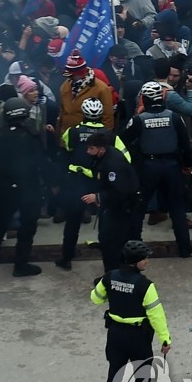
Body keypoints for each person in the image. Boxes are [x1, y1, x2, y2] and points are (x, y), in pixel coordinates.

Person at [90, 240, 170, 382]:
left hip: (115, 336)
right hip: (138, 339)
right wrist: (165, 339)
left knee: (113, 376)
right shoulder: (145, 285)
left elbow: (96, 298)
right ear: (135, 262)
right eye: (145, 258)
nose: (147, 261)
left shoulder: (109, 277)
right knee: (142, 380)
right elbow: (156, 316)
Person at [56, 98, 130, 270]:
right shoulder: (110, 135)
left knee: (73, 221)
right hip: (101, 183)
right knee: (107, 222)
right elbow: (126, 158)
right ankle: (113, 261)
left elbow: (64, 152)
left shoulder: (72, 132)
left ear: (84, 113)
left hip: (77, 182)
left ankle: (66, 258)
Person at [123, 81, 192, 258]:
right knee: (177, 209)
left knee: (139, 208)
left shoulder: (139, 119)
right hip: (171, 166)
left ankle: (134, 249)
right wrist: (187, 165)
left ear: (143, 98)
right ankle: (185, 248)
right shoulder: (174, 117)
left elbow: (122, 141)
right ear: (162, 97)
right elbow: (186, 144)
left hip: (148, 167)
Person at [0, 97, 46, 277]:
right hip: (27, 187)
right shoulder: (31, 136)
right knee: (27, 226)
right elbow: (40, 162)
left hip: (5, 186)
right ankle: (20, 265)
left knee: (2, 220)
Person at [84, 132, 138, 273]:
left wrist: (98, 197)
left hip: (120, 208)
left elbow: (120, 191)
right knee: (107, 239)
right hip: (111, 207)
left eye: (91, 148)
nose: (88, 152)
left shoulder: (114, 163)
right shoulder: (103, 158)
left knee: (111, 242)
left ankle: (113, 274)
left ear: (101, 149)